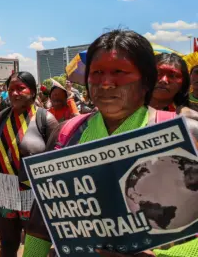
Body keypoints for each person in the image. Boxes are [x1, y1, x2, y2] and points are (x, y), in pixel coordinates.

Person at [23, 30, 198, 257]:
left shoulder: (187, 135)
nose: (105, 83)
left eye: (119, 72)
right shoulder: (65, 134)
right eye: (97, 72)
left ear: (146, 80)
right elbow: (40, 227)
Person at [0, 71, 59, 257]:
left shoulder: (45, 120)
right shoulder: (1, 118)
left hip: (33, 191)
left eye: (21, 88)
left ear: (33, 92)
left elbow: (56, 161)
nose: (15, 93)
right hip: (4, 188)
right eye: (11, 89)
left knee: (34, 249)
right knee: (8, 246)